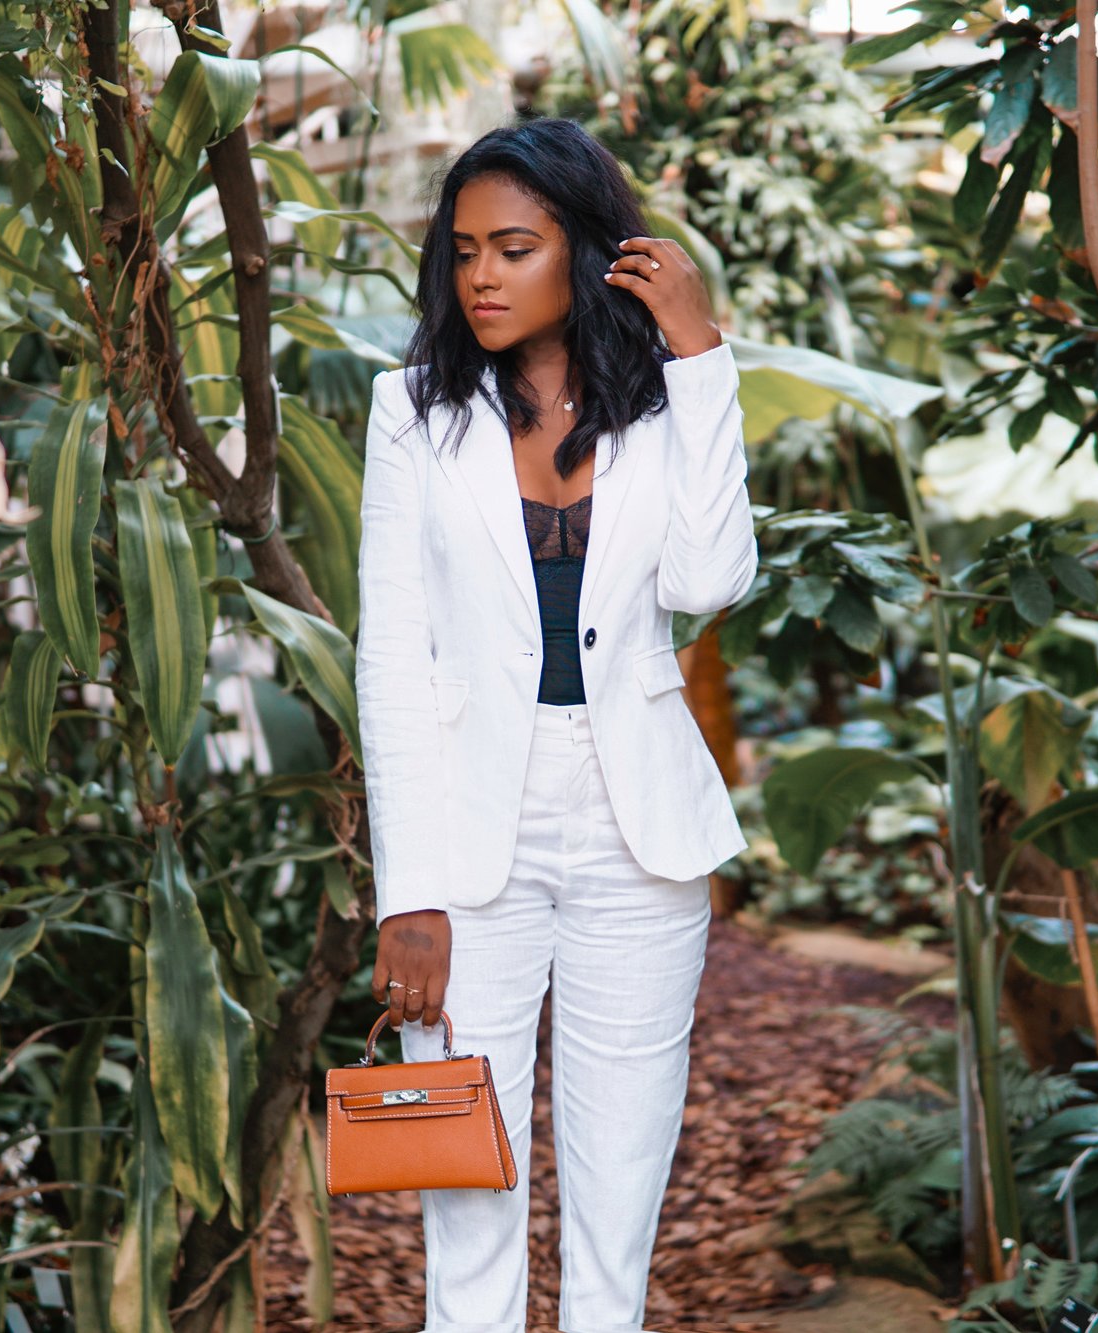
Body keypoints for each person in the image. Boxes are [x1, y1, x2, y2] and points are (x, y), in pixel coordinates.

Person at [355, 114, 757, 1333]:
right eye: (465, 248)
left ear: (585, 252)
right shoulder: (408, 411)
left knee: (616, 1197)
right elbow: (391, 657)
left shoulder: (659, 405)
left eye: (513, 248)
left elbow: (708, 580)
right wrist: (405, 890)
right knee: (463, 1195)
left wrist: (699, 356)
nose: (479, 274)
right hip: (468, 840)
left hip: (638, 837)